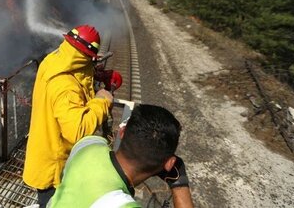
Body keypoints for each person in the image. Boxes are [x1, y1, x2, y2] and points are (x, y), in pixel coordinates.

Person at [23, 25, 114, 208]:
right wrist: (102, 101)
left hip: (44, 149)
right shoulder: (65, 86)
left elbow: (76, 73)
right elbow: (77, 130)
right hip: (56, 168)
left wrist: (92, 73)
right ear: (86, 56)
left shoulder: (54, 60)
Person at [48, 104, 194, 208]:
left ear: (122, 133)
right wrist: (179, 184)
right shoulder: (120, 204)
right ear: (169, 163)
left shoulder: (87, 145)